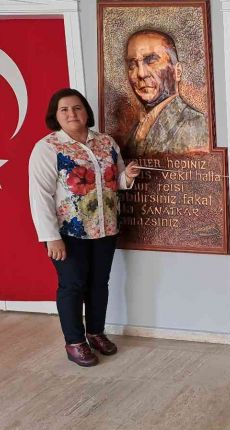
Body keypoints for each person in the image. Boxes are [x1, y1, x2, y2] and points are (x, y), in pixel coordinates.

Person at [28, 88, 140, 367]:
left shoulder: (105, 142)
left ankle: (95, 332)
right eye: (64, 109)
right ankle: (75, 341)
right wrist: (51, 237)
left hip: (105, 228)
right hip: (68, 232)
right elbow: (40, 196)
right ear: (55, 115)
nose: (72, 114)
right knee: (72, 285)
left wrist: (127, 176)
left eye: (77, 108)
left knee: (99, 284)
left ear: (86, 111)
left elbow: (115, 180)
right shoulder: (48, 148)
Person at [124, 29, 208, 157]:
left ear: (177, 71)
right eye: (132, 65)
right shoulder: (136, 129)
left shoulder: (195, 124)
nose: (141, 73)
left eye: (151, 61)